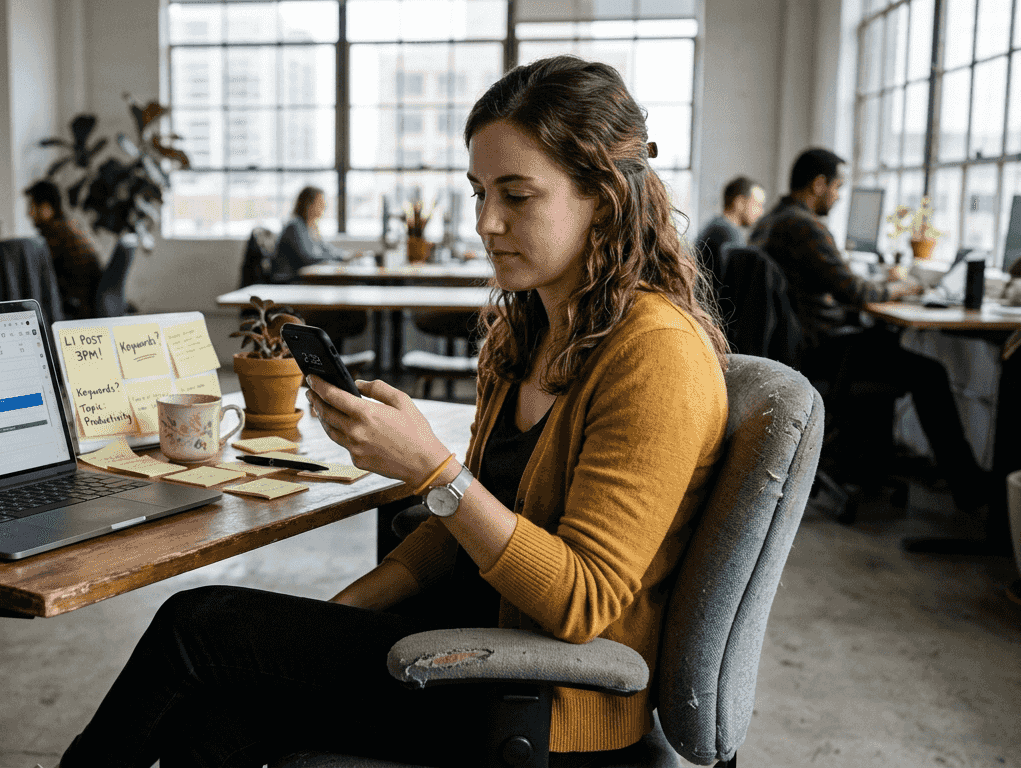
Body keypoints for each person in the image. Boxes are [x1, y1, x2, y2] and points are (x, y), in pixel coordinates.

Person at [47, 55, 730, 768]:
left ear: (604, 197)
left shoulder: (655, 356)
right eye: (478, 192)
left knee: (195, 624)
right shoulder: (528, 331)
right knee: (216, 712)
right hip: (460, 648)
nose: (486, 222)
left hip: (539, 701)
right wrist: (332, 616)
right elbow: (453, 537)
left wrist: (434, 472)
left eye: (518, 196)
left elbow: (583, 601)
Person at [749, 147, 987, 511]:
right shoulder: (805, 226)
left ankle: (871, 467)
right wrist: (907, 287)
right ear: (818, 184)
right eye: (838, 187)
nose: (840, 196)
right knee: (930, 373)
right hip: (823, 351)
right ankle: (971, 491)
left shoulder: (770, 221)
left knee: (884, 344)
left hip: (796, 347)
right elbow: (856, 292)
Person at [25, 180, 105, 319]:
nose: (28, 214)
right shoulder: (71, 225)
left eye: (31, 206)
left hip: (79, 308)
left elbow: (37, 271)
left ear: (46, 208)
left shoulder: (57, 232)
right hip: (88, 303)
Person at [272, 186, 351, 281]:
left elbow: (326, 249)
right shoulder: (295, 226)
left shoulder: (310, 227)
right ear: (308, 204)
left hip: (302, 277)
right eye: (320, 203)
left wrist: (345, 256)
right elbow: (308, 258)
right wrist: (339, 259)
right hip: (290, 280)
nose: (324, 206)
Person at [693, 175, 765, 279]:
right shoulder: (729, 234)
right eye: (757, 205)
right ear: (739, 203)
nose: (761, 212)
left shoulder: (715, 226)